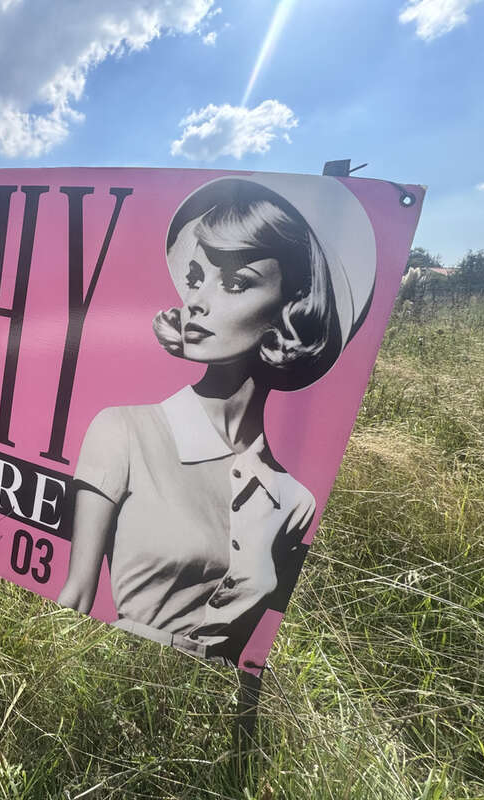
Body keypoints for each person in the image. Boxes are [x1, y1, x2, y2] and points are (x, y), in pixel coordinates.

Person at [57, 174, 377, 666]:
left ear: (291, 310)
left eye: (234, 282)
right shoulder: (123, 432)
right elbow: (75, 598)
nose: (197, 301)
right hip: (110, 690)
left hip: (209, 718)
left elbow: (260, 649)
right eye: (195, 278)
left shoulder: (294, 502)